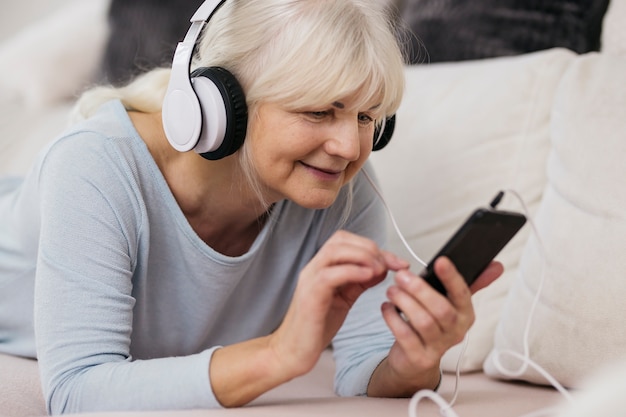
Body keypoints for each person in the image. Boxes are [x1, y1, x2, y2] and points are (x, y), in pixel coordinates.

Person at [0, 0, 502, 414]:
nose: (350, 147)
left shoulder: (341, 189)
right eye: (318, 111)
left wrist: (418, 359)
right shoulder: (95, 165)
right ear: (221, 107)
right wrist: (278, 354)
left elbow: (363, 371)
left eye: (367, 117)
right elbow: (76, 392)